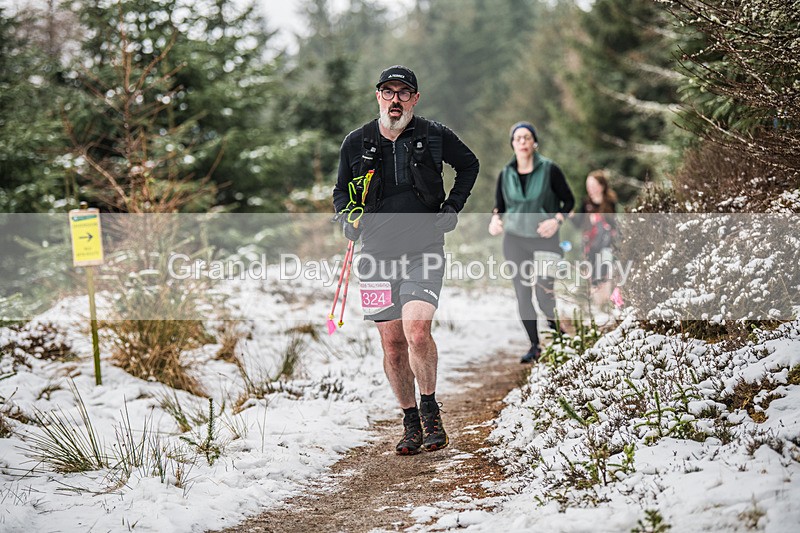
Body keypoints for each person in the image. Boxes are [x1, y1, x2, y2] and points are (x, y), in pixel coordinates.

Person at [332, 65, 479, 455]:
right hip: (375, 258)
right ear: (378, 96)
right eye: (388, 92)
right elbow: (340, 192)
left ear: (415, 98)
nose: (395, 100)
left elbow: (469, 165)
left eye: (403, 93)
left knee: (416, 332)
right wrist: (346, 218)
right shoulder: (356, 141)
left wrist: (453, 206)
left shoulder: (434, 135)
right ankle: (410, 420)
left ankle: (430, 410)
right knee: (393, 344)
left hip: (423, 251)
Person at [488, 122, 574, 364]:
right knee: (523, 294)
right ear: (513, 144)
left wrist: (556, 221)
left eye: (527, 137)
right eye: (518, 138)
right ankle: (535, 345)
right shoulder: (506, 173)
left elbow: (569, 201)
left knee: (544, 294)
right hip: (515, 240)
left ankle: (559, 336)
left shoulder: (550, 169)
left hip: (546, 239)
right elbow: (499, 206)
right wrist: (495, 220)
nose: (523, 142)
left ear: (534, 143)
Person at [576, 169, 618, 308]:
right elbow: (579, 224)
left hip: (606, 246)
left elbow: (614, 225)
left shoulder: (610, 202)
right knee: (593, 276)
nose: (590, 189)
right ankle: (598, 307)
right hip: (590, 246)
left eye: (593, 186)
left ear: (602, 186)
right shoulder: (585, 203)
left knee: (605, 274)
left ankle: (606, 306)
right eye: (588, 186)